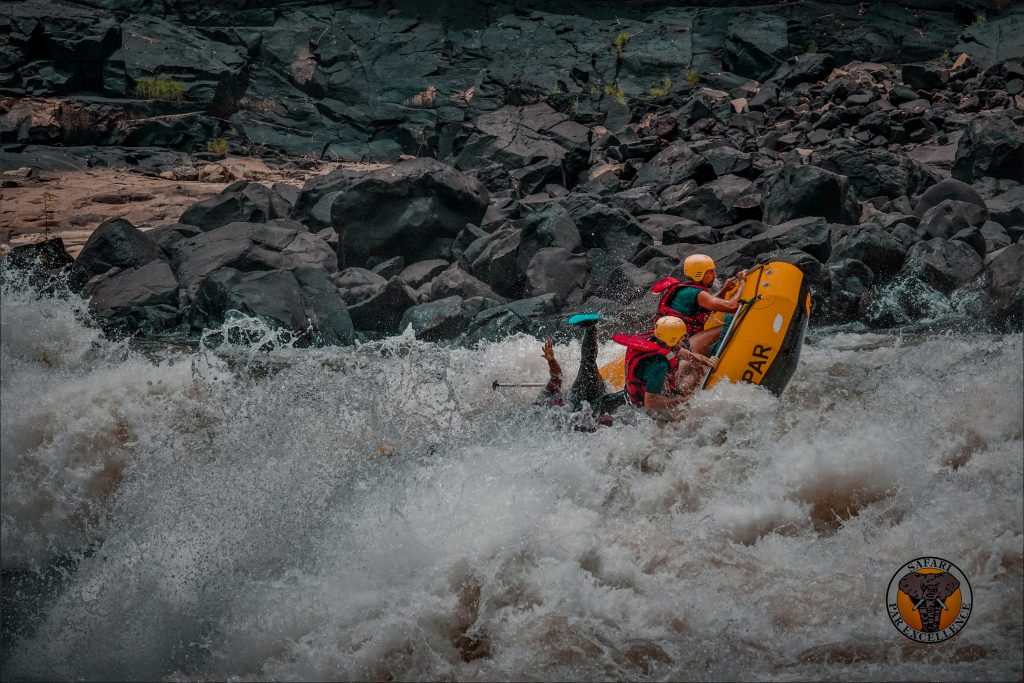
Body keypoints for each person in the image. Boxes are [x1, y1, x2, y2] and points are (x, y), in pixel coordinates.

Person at [615, 315, 717, 418]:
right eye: (682, 336)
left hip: (638, 395)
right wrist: (683, 401)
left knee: (690, 364)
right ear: (673, 339)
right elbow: (651, 403)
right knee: (693, 372)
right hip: (646, 410)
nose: (684, 338)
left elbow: (682, 352)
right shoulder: (659, 365)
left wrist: (705, 360)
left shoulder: (658, 339)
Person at [650, 254, 747, 357]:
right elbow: (732, 306)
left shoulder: (685, 288)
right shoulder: (696, 293)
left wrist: (723, 290)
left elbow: (708, 306)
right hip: (685, 346)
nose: (715, 275)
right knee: (732, 325)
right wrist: (742, 282)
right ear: (699, 274)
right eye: (711, 272)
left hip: (673, 345)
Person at [537, 314, 625, 423]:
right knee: (622, 398)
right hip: (598, 405)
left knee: (587, 365)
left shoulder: (544, 399)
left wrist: (551, 361)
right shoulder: (548, 420)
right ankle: (643, 388)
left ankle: (590, 327)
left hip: (579, 393)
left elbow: (556, 378)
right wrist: (597, 423)